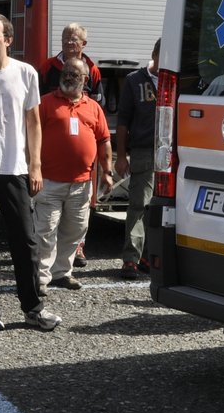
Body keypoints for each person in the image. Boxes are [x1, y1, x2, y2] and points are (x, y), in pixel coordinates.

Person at [0, 13, 61, 334]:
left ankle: (33, 308)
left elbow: (33, 122)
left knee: (26, 243)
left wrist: (36, 165)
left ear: (8, 39)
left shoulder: (26, 73)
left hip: (14, 169)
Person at [34, 58, 112, 291]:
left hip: (81, 183)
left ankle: (62, 273)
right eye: (66, 73)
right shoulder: (45, 103)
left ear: (85, 80)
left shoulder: (94, 107)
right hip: (48, 181)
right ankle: (40, 277)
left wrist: (107, 172)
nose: (68, 77)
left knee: (75, 230)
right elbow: (31, 137)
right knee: (45, 231)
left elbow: (104, 140)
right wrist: (32, 168)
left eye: (74, 74)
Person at [39, 23, 104, 267]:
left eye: (74, 39)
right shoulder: (48, 67)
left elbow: (98, 104)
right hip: (51, 167)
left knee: (77, 221)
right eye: (66, 38)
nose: (69, 43)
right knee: (47, 222)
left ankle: (76, 252)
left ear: (83, 44)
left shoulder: (93, 70)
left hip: (81, 173)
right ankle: (44, 268)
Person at [114, 39, 160, 279]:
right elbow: (123, 121)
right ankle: (130, 259)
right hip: (143, 150)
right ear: (155, 55)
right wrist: (121, 156)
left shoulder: (179, 82)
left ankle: (149, 257)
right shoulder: (135, 81)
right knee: (139, 205)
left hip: (172, 153)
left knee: (162, 209)